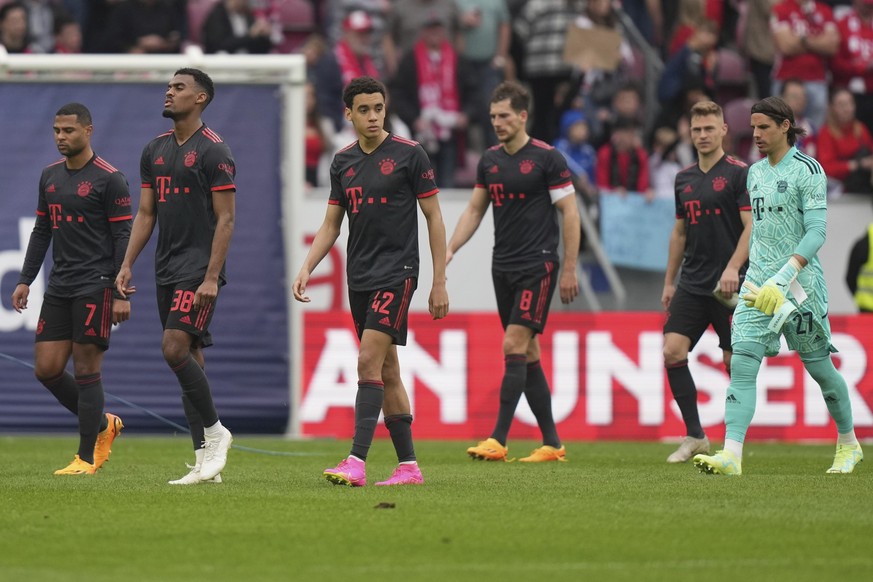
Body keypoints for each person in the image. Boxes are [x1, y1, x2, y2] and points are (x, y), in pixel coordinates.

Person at [694, 96, 864, 475]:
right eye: (753, 127)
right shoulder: (754, 174)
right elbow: (758, 232)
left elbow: (817, 231)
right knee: (742, 363)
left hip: (799, 285)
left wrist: (785, 276)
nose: (755, 134)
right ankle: (731, 455)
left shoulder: (809, 170)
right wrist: (747, 272)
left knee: (820, 369)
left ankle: (849, 443)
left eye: (764, 127)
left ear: (786, 126)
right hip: (758, 286)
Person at [292, 76, 449, 487]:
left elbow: (433, 217)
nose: (374, 116)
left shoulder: (410, 155)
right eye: (364, 109)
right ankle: (409, 467)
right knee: (388, 370)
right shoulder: (342, 162)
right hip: (358, 277)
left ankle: (356, 462)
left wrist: (438, 281)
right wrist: (308, 266)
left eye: (378, 108)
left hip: (397, 274)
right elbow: (331, 224)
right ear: (349, 113)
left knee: (366, 361)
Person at [447, 80, 580, 463]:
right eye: (492, 117)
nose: (497, 123)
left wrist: (568, 268)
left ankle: (498, 439)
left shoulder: (547, 158)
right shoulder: (489, 161)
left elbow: (569, 213)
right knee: (528, 349)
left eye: (504, 116)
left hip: (537, 265)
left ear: (523, 116)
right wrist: (452, 248)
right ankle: (553, 444)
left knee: (512, 344)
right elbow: (474, 210)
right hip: (501, 265)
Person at [115, 68, 234, 485]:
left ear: (200, 98)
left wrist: (211, 277)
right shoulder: (155, 150)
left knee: (173, 348)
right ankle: (203, 460)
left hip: (198, 270)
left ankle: (217, 433)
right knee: (190, 359)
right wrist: (127, 262)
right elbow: (146, 213)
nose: (169, 92)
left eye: (179, 88)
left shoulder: (214, 152)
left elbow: (226, 219)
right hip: (165, 266)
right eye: (169, 86)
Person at [11, 102, 130, 475]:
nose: (61, 137)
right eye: (57, 131)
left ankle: (86, 457)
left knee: (86, 368)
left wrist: (122, 291)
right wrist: (25, 279)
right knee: (46, 369)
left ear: (88, 131)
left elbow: (123, 236)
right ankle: (102, 424)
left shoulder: (110, 179)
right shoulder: (49, 177)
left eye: (69, 131)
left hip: (96, 284)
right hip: (60, 285)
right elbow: (43, 230)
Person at [661, 100, 752, 463]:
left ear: (723, 130)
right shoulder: (683, 179)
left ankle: (732, 446)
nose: (702, 135)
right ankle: (695, 436)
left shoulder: (739, 174)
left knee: (734, 365)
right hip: (693, 283)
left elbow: (752, 227)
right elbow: (679, 233)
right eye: (696, 130)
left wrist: (733, 269)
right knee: (672, 351)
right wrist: (669, 281)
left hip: (730, 286)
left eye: (709, 129)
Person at [816, 87, 873, 195]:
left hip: (862, 187)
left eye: (849, 103)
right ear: (832, 108)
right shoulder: (826, 132)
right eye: (841, 105)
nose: (846, 109)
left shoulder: (860, 128)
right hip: (836, 190)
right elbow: (825, 168)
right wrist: (856, 165)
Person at [845, 221, 873, 313]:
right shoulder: (864, 244)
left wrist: (861, 298)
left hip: (866, 309)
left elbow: (850, 278)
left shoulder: (862, 244)